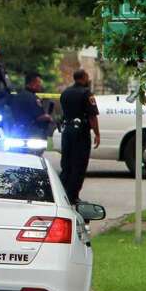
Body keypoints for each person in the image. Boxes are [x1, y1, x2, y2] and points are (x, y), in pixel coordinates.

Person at [59, 69, 100, 204]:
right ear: (83, 78)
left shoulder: (65, 93)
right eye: (87, 77)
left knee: (66, 164)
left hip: (67, 131)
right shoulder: (86, 93)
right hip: (81, 133)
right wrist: (97, 133)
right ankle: (73, 196)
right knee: (79, 164)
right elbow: (92, 116)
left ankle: (62, 194)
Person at [7, 73, 54, 140]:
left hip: (16, 130)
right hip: (31, 132)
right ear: (32, 83)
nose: (40, 85)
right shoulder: (33, 98)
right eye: (39, 83)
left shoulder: (17, 96)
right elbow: (38, 116)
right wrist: (48, 117)